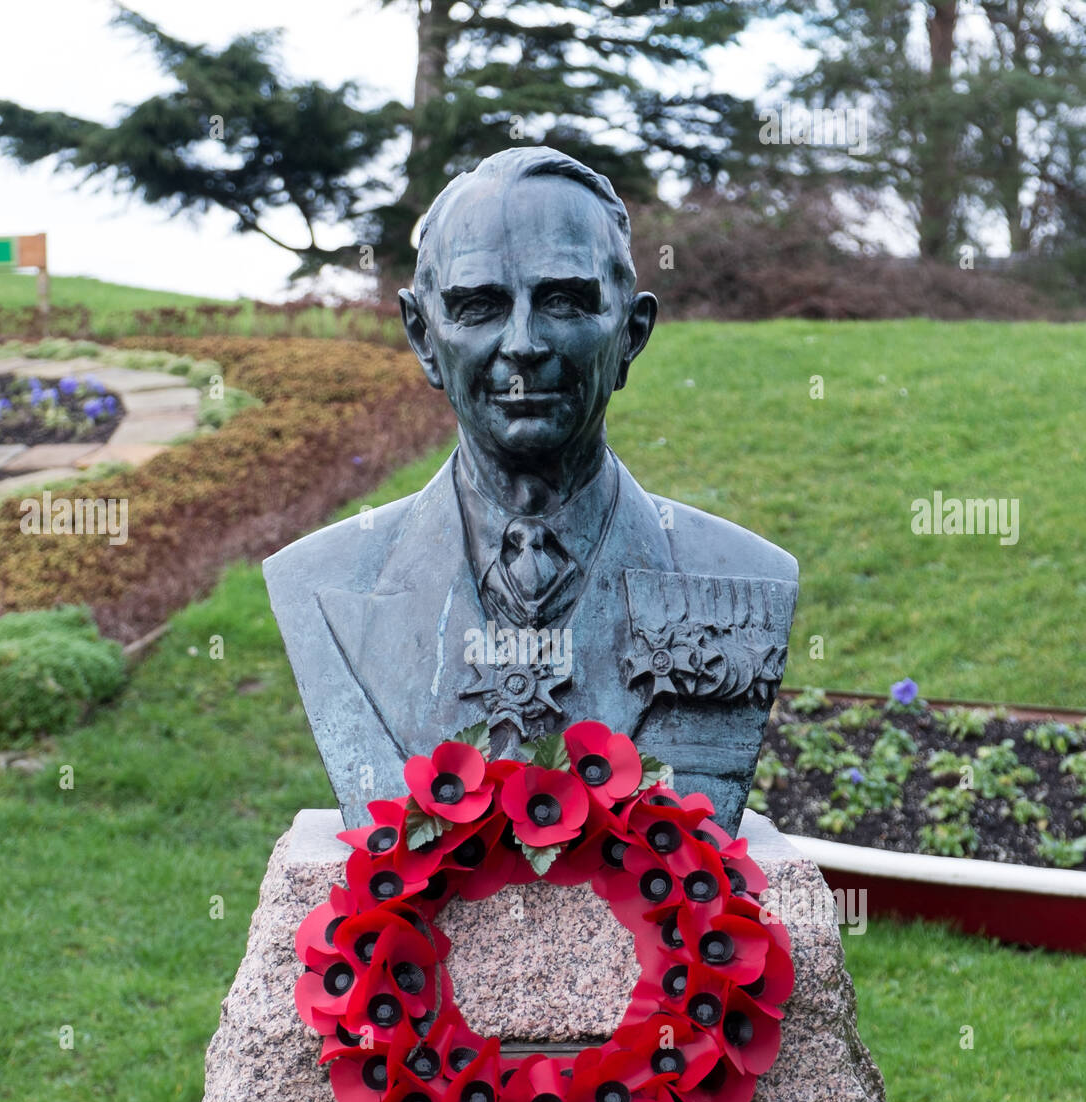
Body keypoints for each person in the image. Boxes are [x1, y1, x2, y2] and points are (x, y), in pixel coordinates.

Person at [264, 147, 797, 832]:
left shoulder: (745, 582)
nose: (522, 343)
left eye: (563, 301)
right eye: (478, 306)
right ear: (423, 338)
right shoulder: (319, 583)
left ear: (631, 334)